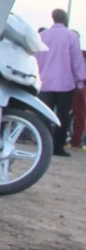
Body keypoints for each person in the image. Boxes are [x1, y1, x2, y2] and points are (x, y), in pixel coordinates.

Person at [37, 8, 86, 156]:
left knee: (44, 115)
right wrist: (80, 80)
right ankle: (58, 147)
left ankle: (42, 144)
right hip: (65, 83)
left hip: (45, 82)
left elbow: (36, 58)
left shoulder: (42, 36)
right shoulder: (71, 36)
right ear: (65, 19)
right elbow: (76, 61)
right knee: (62, 117)